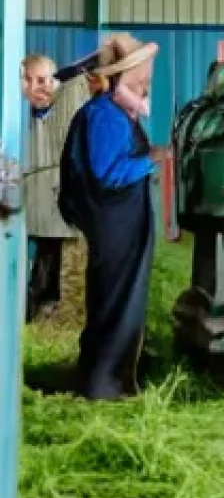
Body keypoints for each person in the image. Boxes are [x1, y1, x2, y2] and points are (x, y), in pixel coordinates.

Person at [59, 33, 159, 401]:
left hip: (120, 226)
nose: (145, 87)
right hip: (114, 226)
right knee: (116, 300)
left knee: (119, 298)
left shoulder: (115, 113)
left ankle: (110, 380)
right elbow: (107, 173)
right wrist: (154, 159)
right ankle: (104, 387)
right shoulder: (105, 115)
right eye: (140, 82)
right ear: (117, 80)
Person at [21, 51, 96, 322]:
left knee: (51, 256)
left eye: (43, 80)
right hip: (24, 203)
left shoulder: (69, 108)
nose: (35, 88)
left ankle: (44, 312)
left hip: (54, 204)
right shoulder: (16, 117)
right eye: (27, 80)